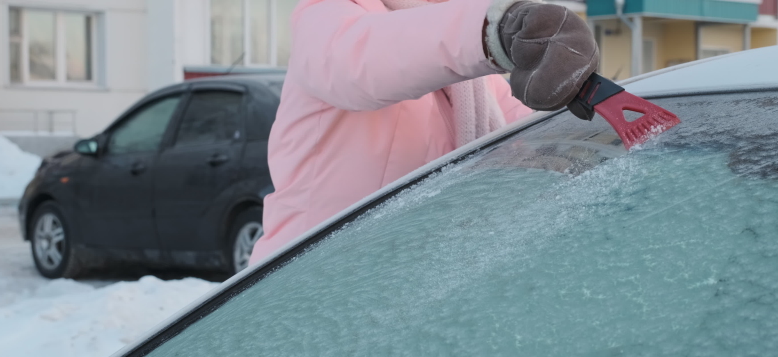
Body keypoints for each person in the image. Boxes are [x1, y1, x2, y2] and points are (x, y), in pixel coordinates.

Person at [250, 0, 599, 263]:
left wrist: (592, 112)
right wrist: (493, 30)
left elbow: (532, 135)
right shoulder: (327, 20)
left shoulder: (473, 83)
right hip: (305, 283)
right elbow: (364, 61)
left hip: (404, 285)